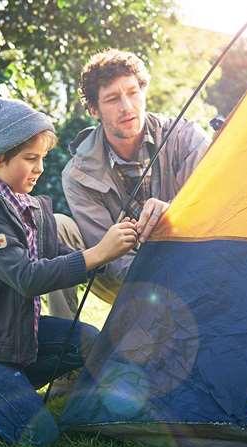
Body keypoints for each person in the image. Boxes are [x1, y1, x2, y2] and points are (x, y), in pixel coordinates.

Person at [0, 97, 138, 447]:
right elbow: (27, 276)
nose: (39, 169)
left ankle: (6, 386)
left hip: (18, 333)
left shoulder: (30, 207)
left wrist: (116, 251)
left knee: (89, 341)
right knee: (39, 435)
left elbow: (61, 258)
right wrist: (96, 253)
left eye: (42, 159)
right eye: (30, 159)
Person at [48, 49, 211, 318]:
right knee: (56, 227)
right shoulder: (77, 173)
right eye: (112, 99)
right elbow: (108, 255)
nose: (127, 107)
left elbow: (215, 204)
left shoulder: (185, 137)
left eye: (133, 92)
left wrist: (172, 210)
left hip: (191, 266)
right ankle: (64, 343)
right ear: (93, 110)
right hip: (122, 276)